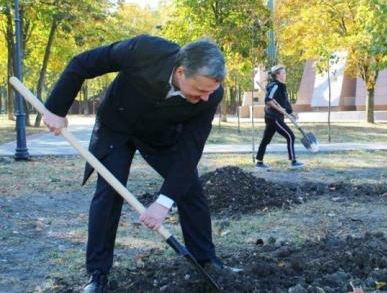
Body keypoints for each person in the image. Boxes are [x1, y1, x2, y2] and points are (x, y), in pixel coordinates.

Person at [43, 34, 237, 292]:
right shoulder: (143, 50)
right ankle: (98, 274)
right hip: (117, 127)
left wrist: (163, 201)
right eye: (200, 90)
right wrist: (56, 109)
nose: (205, 98)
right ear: (181, 72)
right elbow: (82, 64)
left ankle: (206, 261)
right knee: (109, 193)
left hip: (160, 136)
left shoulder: (211, 96)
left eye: (210, 92)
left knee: (189, 189)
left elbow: (190, 150)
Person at [255, 64, 305, 170]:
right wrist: (279, 110)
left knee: (266, 140)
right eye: (284, 72)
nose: (286, 74)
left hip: (275, 117)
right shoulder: (275, 85)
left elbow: (284, 103)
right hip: (274, 117)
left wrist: (291, 113)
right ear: (278, 75)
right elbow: (268, 100)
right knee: (290, 136)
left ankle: (259, 162)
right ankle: (293, 161)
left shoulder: (281, 86)